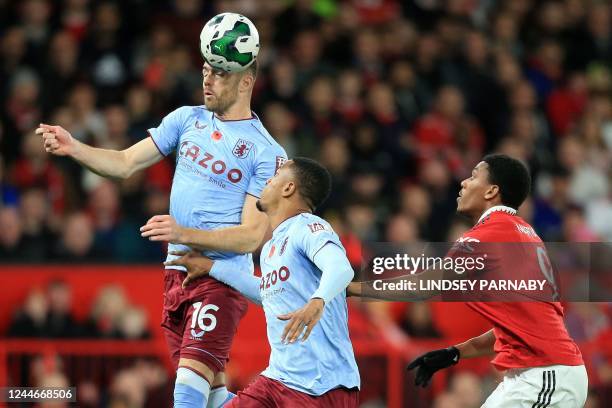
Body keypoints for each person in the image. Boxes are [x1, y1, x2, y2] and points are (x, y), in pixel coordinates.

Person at [36, 25, 287, 408]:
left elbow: (252, 236)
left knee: (186, 391)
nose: (208, 78)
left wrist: (184, 232)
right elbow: (123, 163)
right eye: (206, 69)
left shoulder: (265, 150)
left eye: (220, 73)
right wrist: (74, 147)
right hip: (176, 275)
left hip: (217, 279)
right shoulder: (187, 120)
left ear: (246, 81)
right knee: (215, 398)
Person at [349, 154, 587, 407]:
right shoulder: (524, 234)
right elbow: (518, 328)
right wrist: (455, 353)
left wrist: (351, 288)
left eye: (473, 176)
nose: (463, 182)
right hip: (548, 373)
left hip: (543, 375)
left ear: (491, 191)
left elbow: (423, 286)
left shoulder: (490, 233)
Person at [167, 158, 360, 407]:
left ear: (288, 188)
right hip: (278, 380)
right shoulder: (270, 248)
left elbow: (341, 268)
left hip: (321, 387)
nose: (267, 180)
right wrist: (211, 267)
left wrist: (317, 301)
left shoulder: (309, 226)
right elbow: (267, 293)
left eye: (276, 175)